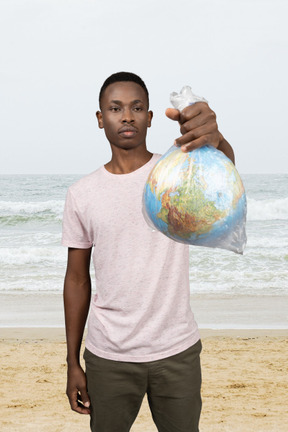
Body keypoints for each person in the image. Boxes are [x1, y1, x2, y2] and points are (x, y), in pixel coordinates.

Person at [62, 71, 235, 432]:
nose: (127, 116)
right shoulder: (82, 193)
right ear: (100, 119)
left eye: (137, 107)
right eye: (115, 108)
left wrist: (215, 138)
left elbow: (223, 171)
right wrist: (72, 361)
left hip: (177, 349)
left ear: (150, 118)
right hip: (108, 355)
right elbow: (77, 280)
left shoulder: (176, 170)